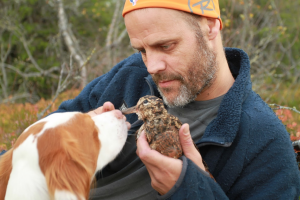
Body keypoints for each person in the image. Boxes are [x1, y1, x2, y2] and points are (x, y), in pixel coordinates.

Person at [53, 0, 300, 199]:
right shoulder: (130, 76)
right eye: (141, 50)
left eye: (167, 45)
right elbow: (35, 143)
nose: (151, 66)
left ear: (211, 26)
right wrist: (73, 132)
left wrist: (191, 189)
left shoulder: (264, 140)